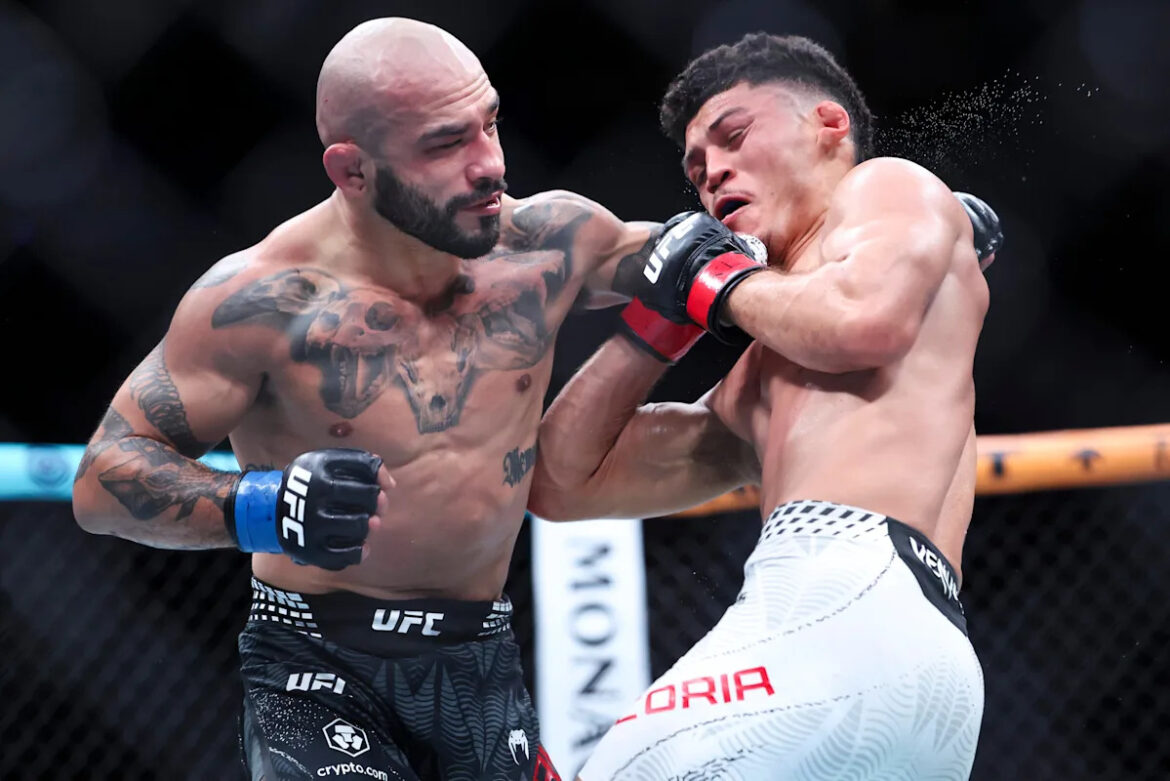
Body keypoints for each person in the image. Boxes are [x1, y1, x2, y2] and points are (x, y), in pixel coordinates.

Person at [72, 17, 667, 781]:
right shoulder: (263, 302)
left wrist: (723, 255)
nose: (490, 164)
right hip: (318, 660)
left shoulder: (548, 243)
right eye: (445, 144)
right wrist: (259, 505)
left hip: (480, 659)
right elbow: (102, 479)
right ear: (352, 170)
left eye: (489, 124)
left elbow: (685, 260)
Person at [529, 33, 1002, 780]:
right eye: (695, 169)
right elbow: (561, 481)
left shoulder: (887, 185)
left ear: (828, 126)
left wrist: (717, 282)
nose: (713, 171)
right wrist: (662, 318)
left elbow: (864, 323)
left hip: (844, 606)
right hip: (913, 660)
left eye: (734, 136)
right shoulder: (757, 384)